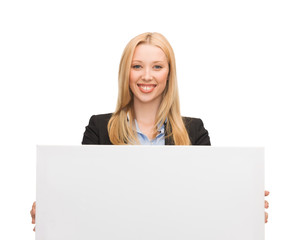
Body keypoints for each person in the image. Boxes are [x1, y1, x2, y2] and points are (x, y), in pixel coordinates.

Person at [30, 32, 269, 230]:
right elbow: (83, 197)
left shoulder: (194, 131)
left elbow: (206, 199)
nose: (146, 76)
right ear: (127, 72)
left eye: (157, 66)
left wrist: (242, 203)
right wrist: (53, 206)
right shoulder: (99, 129)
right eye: (137, 66)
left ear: (169, 74)